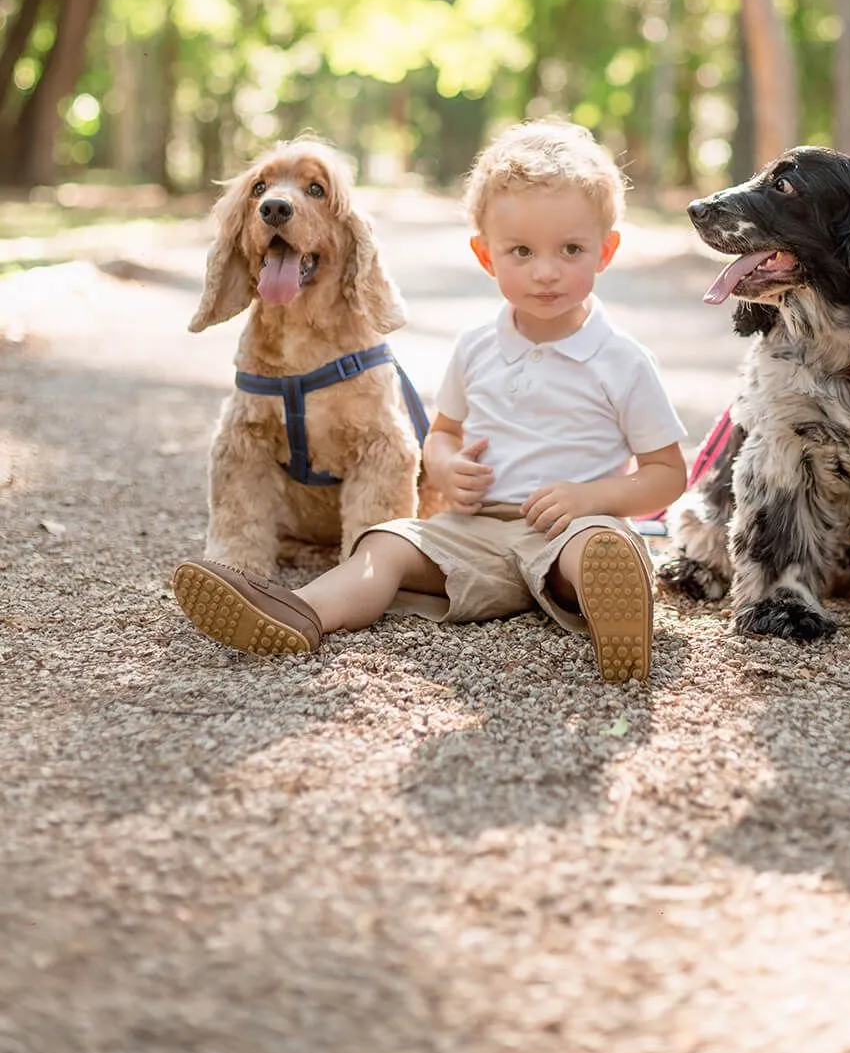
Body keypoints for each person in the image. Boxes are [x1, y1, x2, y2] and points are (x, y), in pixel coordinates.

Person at [172, 119, 688, 682]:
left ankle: (615, 617)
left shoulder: (623, 360)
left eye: (571, 250)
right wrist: (445, 468)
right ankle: (300, 614)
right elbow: (439, 435)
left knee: (595, 552)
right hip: (476, 531)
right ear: (487, 257)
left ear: (605, 252)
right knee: (386, 547)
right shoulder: (475, 348)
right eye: (521, 251)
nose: (545, 271)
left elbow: (665, 475)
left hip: (569, 532)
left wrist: (593, 498)